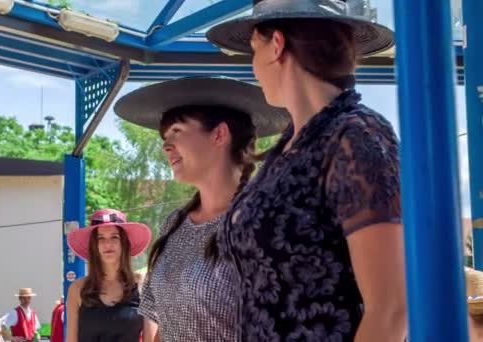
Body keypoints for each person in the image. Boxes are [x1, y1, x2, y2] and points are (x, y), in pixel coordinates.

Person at [206, 0, 407, 341]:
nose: (252, 68)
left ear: (277, 45)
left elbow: (392, 308)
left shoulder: (356, 136)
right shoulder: (287, 149)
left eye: (254, 50)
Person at [114, 77, 288, 341]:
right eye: (164, 136)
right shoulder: (174, 223)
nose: (166, 145)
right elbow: (163, 325)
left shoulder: (265, 223)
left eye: (177, 131)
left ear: (219, 134)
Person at [65, 209, 152, 342]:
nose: (108, 244)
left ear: (124, 243)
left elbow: (150, 339)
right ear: (94, 245)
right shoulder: (77, 289)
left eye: (114, 237)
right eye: (101, 238)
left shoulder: (143, 286)